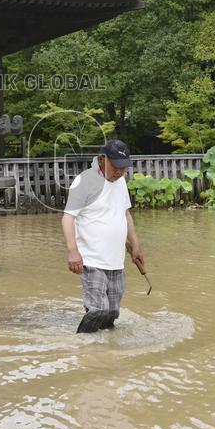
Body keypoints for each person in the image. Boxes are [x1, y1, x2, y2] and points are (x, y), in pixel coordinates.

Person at [61, 139, 146, 332]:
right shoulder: (85, 181)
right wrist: (72, 251)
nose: (119, 172)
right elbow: (68, 217)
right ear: (102, 159)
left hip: (116, 260)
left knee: (112, 312)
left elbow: (126, 214)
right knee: (98, 309)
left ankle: (106, 349)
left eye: (123, 168)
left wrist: (135, 246)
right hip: (92, 260)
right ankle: (83, 346)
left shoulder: (121, 182)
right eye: (116, 166)